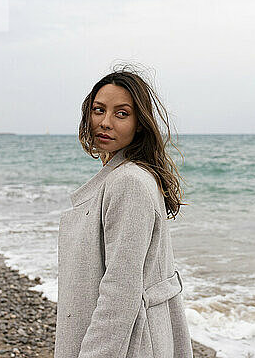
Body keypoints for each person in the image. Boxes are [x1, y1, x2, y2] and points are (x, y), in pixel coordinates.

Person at [54, 64, 194, 357]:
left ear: (139, 123)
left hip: (133, 344)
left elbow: (120, 292)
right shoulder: (130, 175)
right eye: (98, 110)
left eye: (121, 113)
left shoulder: (129, 182)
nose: (105, 122)